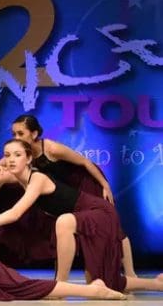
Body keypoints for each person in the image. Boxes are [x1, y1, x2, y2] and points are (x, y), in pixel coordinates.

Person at [0, 139, 163, 293]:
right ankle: (157, 284)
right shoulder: (15, 177)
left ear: (29, 158)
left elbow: (15, 213)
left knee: (64, 221)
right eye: (7, 155)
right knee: (107, 282)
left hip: (99, 212)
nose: (11, 159)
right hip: (83, 217)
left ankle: (61, 284)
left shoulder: (37, 178)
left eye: (17, 155)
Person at [9, 114, 136, 277]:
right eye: (14, 134)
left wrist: (105, 186)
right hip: (68, 192)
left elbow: (85, 162)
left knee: (114, 228)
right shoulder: (21, 154)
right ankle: (66, 276)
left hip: (87, 185)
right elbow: (2, 164)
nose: (16, 137)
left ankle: (131, 274)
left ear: (34, 134)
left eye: (21, 133)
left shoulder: (51, 148)